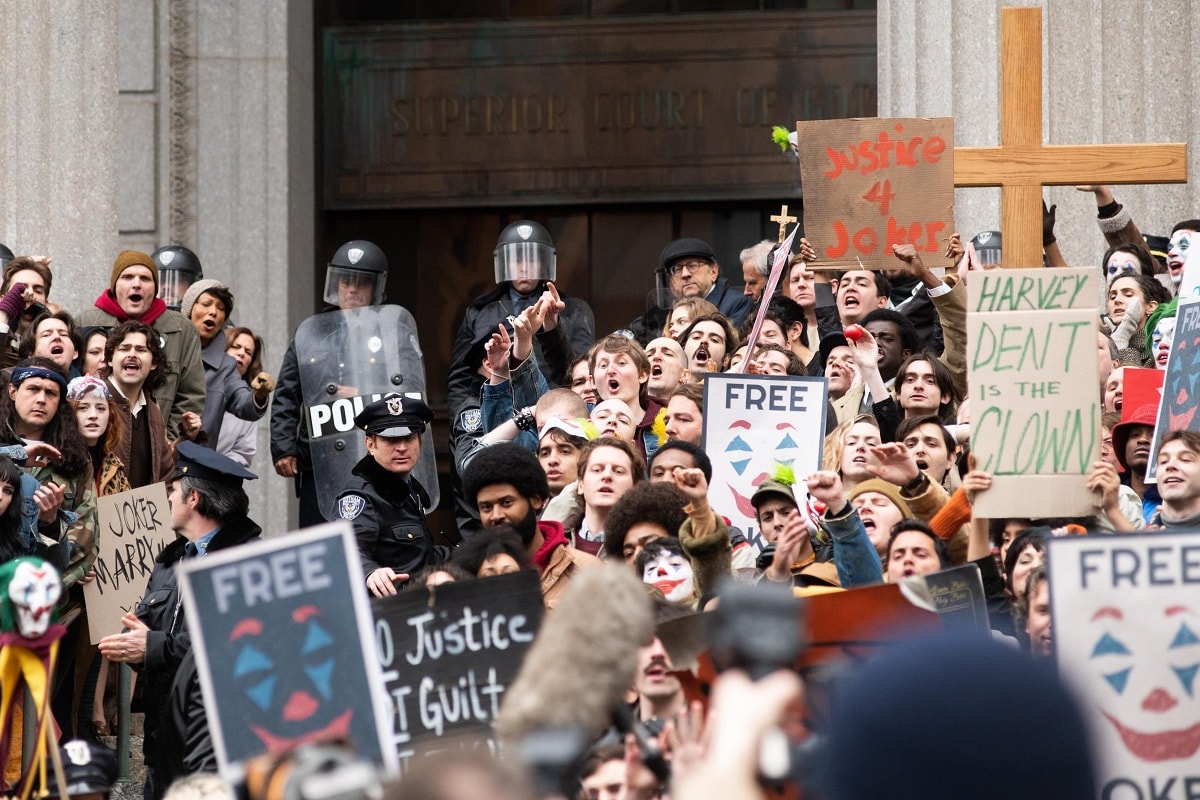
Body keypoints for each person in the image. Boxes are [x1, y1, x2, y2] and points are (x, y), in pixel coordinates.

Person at [98, 442, 260, 799]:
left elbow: (234, 644)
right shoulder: (171, 560)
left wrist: (154, 645)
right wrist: (134, 641)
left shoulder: (248, 562)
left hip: (215, 745)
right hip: (163, 741)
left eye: (173, 491)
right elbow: (141, 622)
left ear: (194, 499)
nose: (168, 498)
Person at [271, 240, 433, 527]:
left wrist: (364, 394)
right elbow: (286, 392)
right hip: (320, 456)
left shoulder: (394, 333)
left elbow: (410, 387)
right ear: (336, 284)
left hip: (376, 453)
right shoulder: (312, 333)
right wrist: (283, 447)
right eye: (346, 282)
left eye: (361, 283)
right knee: (321, 540)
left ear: (376, 288)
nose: (353, 290)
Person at [447, 220, 594, 419]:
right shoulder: (480, 311)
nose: (524, 267)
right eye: (516, 259)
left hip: (556, 414)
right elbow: (461, 380)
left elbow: (582, 374)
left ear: (544, 262)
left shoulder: (573, 309)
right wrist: (464, 427)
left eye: (532, 259)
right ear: (504, 262)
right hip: (495, 414)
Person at [76, 250, 205, 440]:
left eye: (145, 278)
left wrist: (164, 443)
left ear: (155, 288)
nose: (136, 284)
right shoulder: (86, 322)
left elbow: (191, 396)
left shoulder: (181, 329)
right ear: (114, 286)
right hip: (98, 446)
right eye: (128, 277)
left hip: (158, 448)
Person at [335, 394, 449, 598]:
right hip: (392, 610)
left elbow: (418, 556)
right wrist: (369, 572)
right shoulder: (360, 496)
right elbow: (344, 549)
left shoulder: (407, 487)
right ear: (370, 445)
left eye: (409, 438)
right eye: (391, 439)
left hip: (421, 601)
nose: (402, 447)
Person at [460, 442, 600, 608]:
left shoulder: (587, 571)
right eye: (486, 507)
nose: (496, 516)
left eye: (506, 502)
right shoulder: (468, 579)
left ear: (536, 500)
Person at [67, 375, 130, 736]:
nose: (93, 415)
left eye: (101, 408)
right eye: (83, 408)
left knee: (91, 669)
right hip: (68, 586)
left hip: (102, 591)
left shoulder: (114, 468)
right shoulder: (62, 462)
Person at [177, 280, 272, 448]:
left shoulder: (226, 367)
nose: (213, 312)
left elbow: (243, 402)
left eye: (220, 308)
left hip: (195, 466)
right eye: (206, 304)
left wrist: (259, 396)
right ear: (189, 309)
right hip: (156, 459)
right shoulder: (165, 349)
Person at [630, 238, 753, 345]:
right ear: (672, 282)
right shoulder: (664, 310)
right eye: (677, 269)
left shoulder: (738, 303)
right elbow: (637, 330)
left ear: (713, 272)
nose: (685, 274)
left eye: (693, 266)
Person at [103, 321, 177, 488]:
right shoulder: (93, 400)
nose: (132, 354)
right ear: (109, 360)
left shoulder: (153, 411)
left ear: (153, 363)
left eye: (141, 350)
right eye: (124, 348)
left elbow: (165, 475)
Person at [215, 325, 266, 466]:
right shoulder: (200, 380)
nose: (241, 353)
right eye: (236, 346)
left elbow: (243, 453)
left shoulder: (248, 403)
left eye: (248, 352)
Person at [152, 245, 203, 311]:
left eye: (176, 280)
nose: (166, 287)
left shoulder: (202, 320)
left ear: (192, 285)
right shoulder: (138, 319)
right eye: (160, 281)